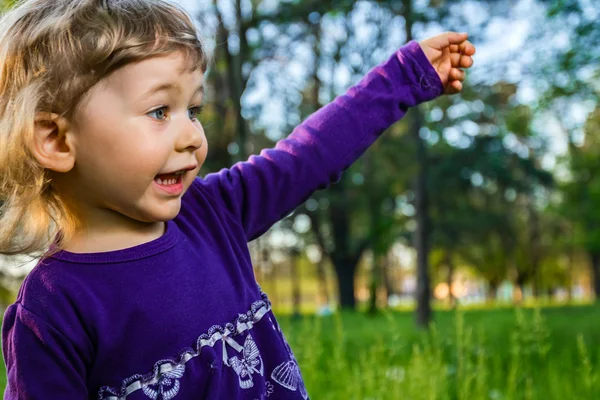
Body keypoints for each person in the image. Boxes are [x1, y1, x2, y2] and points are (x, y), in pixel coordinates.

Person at [0, 0, 475, 399]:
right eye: (160, 111)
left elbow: (306, 157)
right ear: (58, 140)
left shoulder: (210, 214)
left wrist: (403, 77)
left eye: (195, 109)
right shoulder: (53, 312)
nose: (192, 135)